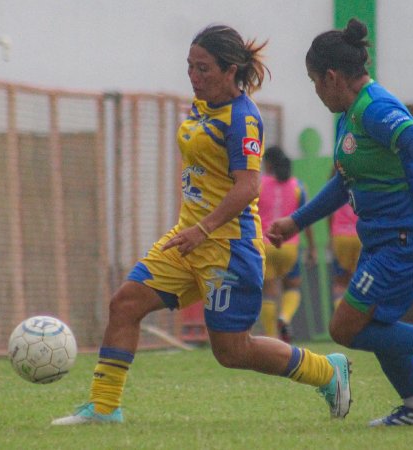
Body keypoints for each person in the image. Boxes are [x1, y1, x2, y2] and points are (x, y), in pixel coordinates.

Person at [52, 24, 350, 426]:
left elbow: (248, 188)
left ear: (231, 71)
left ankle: (327, 371)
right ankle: (104, 408)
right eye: (190, 67)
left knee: (232, 352)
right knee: (124, 304)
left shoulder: (243, 119)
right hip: (187, 240)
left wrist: (203, 228)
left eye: (203, 68)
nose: (193, 76)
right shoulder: (203, 104)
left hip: (227, 247)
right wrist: (193, 229)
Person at [266, 19, 413, 427]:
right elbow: (344, 182)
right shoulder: (348, 116)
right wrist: (296, 222)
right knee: (377, 323)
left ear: (332, 77)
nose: (315, 91)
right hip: (387, 236)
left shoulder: (375, 107)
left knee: (346, 327)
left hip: (410, 235)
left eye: (314, 81)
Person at [257, 146, 316, 343]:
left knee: (269, 291)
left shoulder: (260, 184)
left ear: (269, 164)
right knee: (293, 286)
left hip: (265, 245)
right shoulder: (298, 186)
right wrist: (312, 248)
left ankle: (270, 335)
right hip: (289, 246)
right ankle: (285, 317)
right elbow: (305, 218)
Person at [328, 186, 361, 311]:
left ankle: (340, 316)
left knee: (340, 283)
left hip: (340, 237)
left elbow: (328, 213)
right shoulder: (362, 180)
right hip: (359, 236)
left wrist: (331, 237)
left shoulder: (335, 187)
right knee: (358, 282)